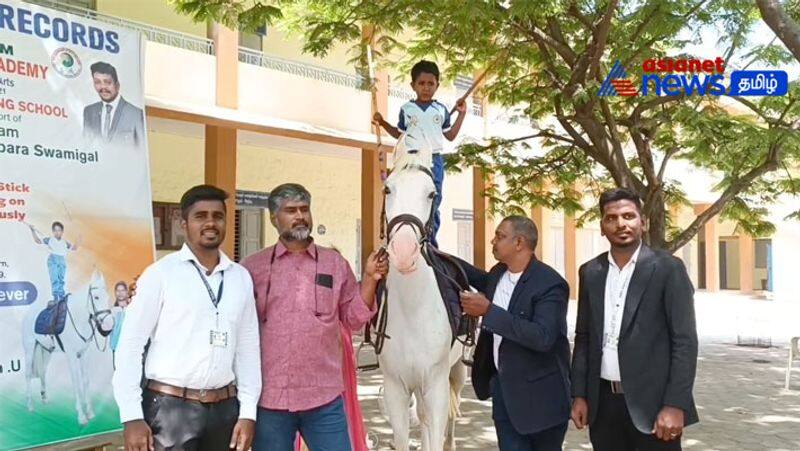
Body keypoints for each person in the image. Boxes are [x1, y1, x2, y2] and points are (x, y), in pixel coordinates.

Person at [240, 183, 388, 451]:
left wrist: (369, 279)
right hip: (270, 400)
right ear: (274, 218)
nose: (300, 216)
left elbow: (354, 319)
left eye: (304, 209)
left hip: (324, 398)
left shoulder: (334, 264)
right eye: (291, 210)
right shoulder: (252, 268)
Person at [113, 185, 261, 451]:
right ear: (183, 224)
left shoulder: (240, 278)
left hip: (225, 410)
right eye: (200, 216)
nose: (210, 223)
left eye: (217, 216)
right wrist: (131, 416)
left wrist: (248, 411)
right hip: (170, 410)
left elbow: (248, 348)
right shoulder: (160, 275)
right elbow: (130, 346)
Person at [570, 188, 699, 451]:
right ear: (602, 226)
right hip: (602, 405)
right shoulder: (591, 272)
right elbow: (583, 338)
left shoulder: (667, 269)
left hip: (654, 407)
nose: (621, 224)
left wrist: (675, 404)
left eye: (629, 216)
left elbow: (684, 342)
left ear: (643, 222)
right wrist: (579, 394)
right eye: (612, 218)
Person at [456, 215, 571, 450]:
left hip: (542, 402)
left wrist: (488, 311)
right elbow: (477, 277)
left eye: (500, 236)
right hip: (505, 395)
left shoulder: (550, 284)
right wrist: (439, 257)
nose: (492, 241)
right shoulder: (499, 273)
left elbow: (542, 337)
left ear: (519, 243)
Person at [372, 59, 467, 248]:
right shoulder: (407, 109)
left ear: (437, 85)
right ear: (413, 85)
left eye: (431, 84)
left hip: (434, 161)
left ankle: (430, 242)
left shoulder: (441, 110)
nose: (426, 88)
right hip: (410, 158)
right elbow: (399, 134)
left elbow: (450, 135)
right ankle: (399, 235)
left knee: (434, 200)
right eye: (421, 83)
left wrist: (461, 114)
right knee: (403, 195)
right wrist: (382, 123)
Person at [83, 61, 145, 149]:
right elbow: (86, 146)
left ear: (117, 85)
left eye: (107, 82)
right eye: (97, 82)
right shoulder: (89, 111)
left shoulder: (136, 114)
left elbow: (141, 151)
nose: (103, 87)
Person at [28, 221, 80, 302]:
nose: (57, 232)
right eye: (55, 230)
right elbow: (38, 241)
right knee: (55, 277)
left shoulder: (65, 242)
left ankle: (61, 295)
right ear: (53, 232)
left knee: (61, 278)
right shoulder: (49, 240)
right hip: (53, 260)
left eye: (59, 230)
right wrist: (32, 231)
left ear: (62, 232)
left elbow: (74, 248)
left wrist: (78, 239)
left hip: (62, 260)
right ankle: (56, 296)